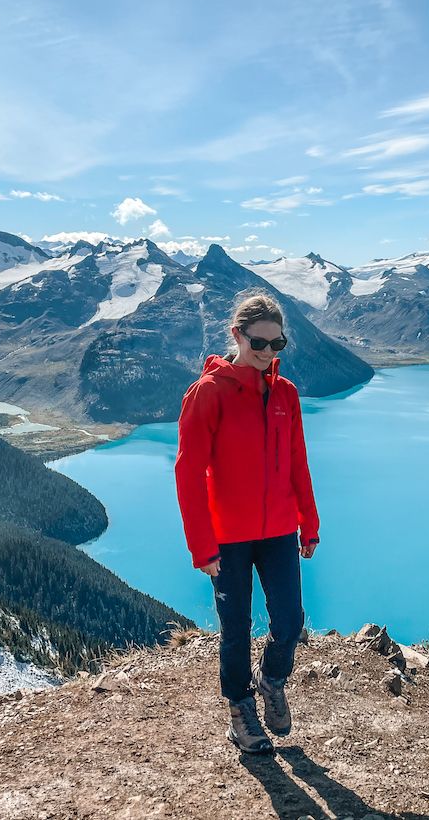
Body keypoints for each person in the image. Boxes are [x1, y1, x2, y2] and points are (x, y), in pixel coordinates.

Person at [174, 290, 320, 754]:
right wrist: (203, 547)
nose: (268, 353)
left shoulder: (286, 394)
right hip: (228, 537)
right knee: (235, 628)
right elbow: (188, 472)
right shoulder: (208, 393)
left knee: (290, 620)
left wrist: (308, 523)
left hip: (278, 529)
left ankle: (272, 679)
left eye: (278, 345)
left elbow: (298, 462)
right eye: (260, 342)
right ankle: (240, 710)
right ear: (237, 335)